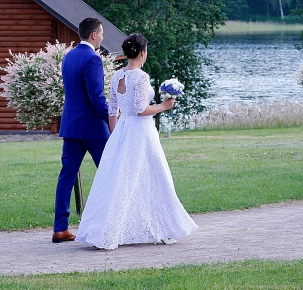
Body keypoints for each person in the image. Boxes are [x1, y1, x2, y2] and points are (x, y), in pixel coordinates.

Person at [76, 33, 198, 250]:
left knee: (118, 180)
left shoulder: (116, 76)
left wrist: (116, 136)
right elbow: (141, 110)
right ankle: (165, 230)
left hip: (123, 130)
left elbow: (113, 111)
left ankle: (106, 229)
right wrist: (164, 106)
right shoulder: (141, 77)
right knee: (155, 176)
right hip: (141, 132)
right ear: (143, 53)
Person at [53, 17, 109, 243]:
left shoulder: (68, 57)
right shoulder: (93, 59)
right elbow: (96, 97)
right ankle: (109, 223)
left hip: (71, 126)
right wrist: (111, 119)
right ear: (93, 35)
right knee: (109, 174)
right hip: (93, 128)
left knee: (66, 177)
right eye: (102, 33)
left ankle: (60, 229)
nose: (103, 37)